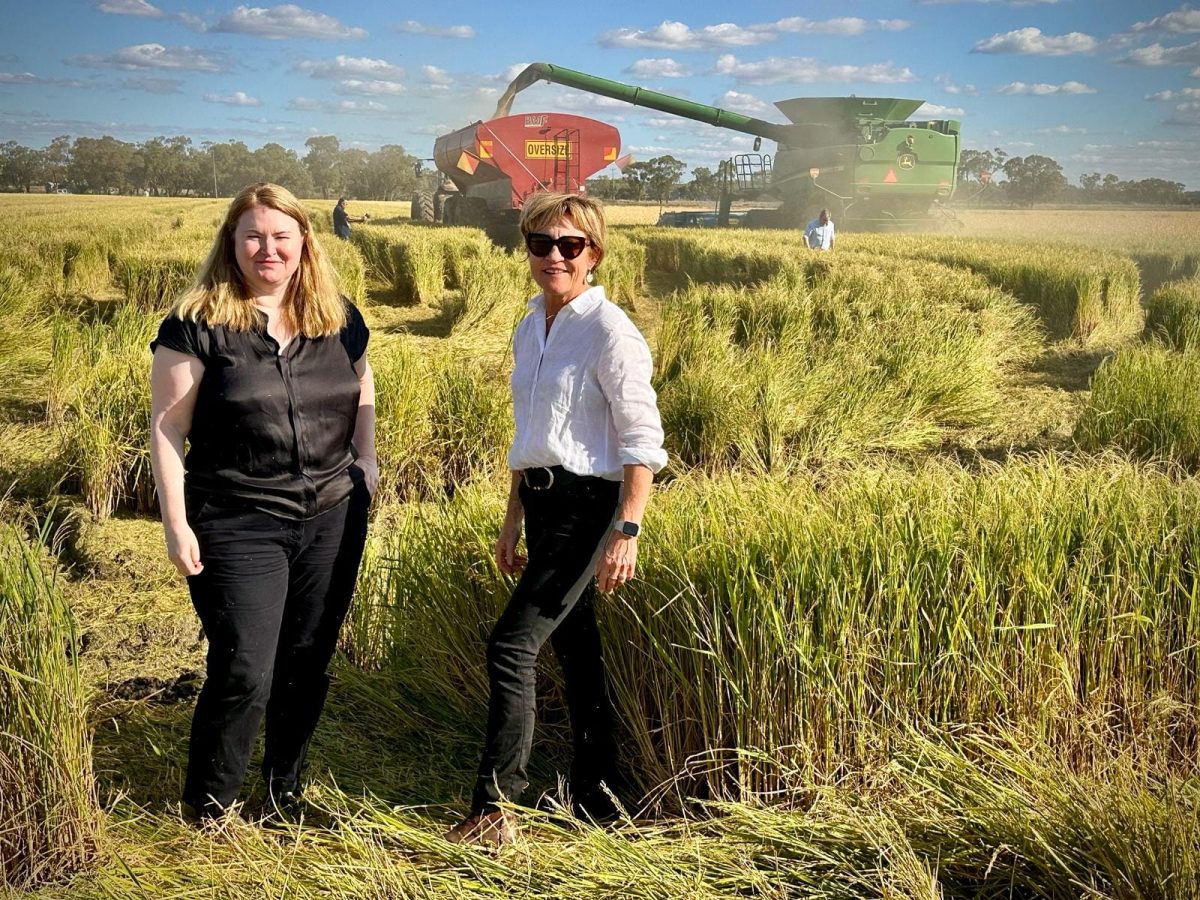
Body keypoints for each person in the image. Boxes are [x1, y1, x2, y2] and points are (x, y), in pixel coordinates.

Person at [444, 192, 667, 847]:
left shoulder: (610, 331)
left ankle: (493, 809)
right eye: (541, 243)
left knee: (512, 645)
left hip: (589, 506)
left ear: (593, 253)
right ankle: (601, 798)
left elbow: (641, 439)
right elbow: (530, 433)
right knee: (577, 650)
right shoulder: (528, 325)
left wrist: (627, 529)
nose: (554, 256)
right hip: (541, 500)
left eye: (570, 245)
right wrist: (512, 519)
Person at [149, 182, 378, 820]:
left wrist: (368, 458)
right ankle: (211, 805)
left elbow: (363, 387)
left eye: (281, 236)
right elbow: (168, 428)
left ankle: (284, 793)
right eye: (253, 236)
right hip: (236, 517)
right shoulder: (196, 324)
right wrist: (175, 523)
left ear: (305, 242)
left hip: (333, 512)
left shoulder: (338, 316)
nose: (267, 249)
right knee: (246, 664)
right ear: (232, 243)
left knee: (308, 659)